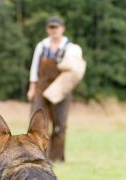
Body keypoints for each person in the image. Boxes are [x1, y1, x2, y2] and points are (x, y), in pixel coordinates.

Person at [27, 16, 84, 162]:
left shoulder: (71, 48)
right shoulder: (41, 46)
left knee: (59, 125)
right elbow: (34, 68)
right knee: (38, 122)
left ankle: (57, 157)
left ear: (62, 29)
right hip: (41, 88)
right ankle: (39, 156)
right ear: (47, 29)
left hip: (61, 89)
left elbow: (75, 69)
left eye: (56, 27)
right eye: (51, 27)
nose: (54, 30)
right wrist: (32, 88)